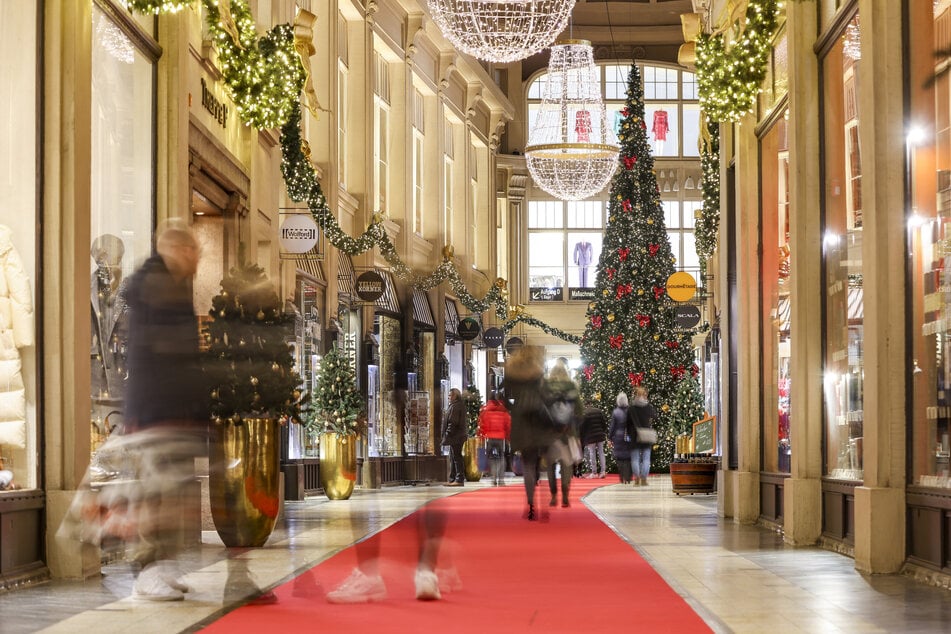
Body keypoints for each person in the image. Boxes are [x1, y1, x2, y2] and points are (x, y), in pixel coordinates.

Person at [122, 221, 207, 601]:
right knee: (153, 494)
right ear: (179, 250)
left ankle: (161, 566)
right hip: (154, 409)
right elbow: (162, 355)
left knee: (170, 493)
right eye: (195, 253)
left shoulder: (171, 287)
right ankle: (145, 571)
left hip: (170, 409)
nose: (198, 261)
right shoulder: (155, 287)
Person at [502, 345, 555, 520]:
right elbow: (548, 397)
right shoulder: (538, 374)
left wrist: (514, 409)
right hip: (540, 425)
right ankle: (544, 506)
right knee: (543, 465)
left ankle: (531, 504)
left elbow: (500, 395)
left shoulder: (512, 374)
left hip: (522, 425)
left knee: (528, 466)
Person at [541, 360, 581, 508]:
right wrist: (576, 434)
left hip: (550, 433)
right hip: (567, 432)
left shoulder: (546, 388)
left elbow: (540, 411)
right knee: (566, 464)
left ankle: (553, 495)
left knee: (550, 465)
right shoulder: (571, 387)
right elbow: (579, 412)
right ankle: (565, 493)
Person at [478, 391, 511, 486]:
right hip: (501, 438)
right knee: (501, 457)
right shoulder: (503, 411)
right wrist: (508, 437)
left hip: (490, 438)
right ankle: (501, 479)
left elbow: (482, 424)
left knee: (491, 458)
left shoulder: (486, 410)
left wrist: (482, 435)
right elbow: (508, 425)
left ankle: (493, 478)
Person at [628, 386, 657, 486]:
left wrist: (628, 433)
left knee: (635, 459)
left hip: (634, 435)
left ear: (635, 395)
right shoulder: (648, 406)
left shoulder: (631, 408)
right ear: (645, 395)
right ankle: (644, 479)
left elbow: (627, 422)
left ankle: (637, 478)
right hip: (646, 435)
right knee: (646, 458)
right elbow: (655, 416)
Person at [442, 387, 467, 486]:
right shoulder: (455, 405)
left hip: (456, 436)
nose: (449, 397)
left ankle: (459, 479)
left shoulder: (456, 406)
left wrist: (448, 433)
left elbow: (453, 422)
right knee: (453, 457)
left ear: (455, 396)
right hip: (456, 436)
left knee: (456, 457)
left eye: (450, 395)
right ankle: (452, 479)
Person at [609, 392, 633, 484]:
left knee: (620, 458)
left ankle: (622, 477)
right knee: (628, 457)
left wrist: (610, 437)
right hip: (629, 436)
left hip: (618, 437)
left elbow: (613, 426)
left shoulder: (615, 412)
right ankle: (628, 477)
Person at [580, 401, 607, 479]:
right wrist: (603, 432)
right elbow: (604, 424)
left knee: (592, 453)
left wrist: (582, 437)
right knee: (601, 452)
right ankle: (603, 472)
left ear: (585, 406)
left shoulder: (584, 413)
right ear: (591, 405)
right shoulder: (599, 411)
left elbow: (582, 427)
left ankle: (594, 473)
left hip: (590, 437)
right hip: (600, 435)